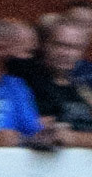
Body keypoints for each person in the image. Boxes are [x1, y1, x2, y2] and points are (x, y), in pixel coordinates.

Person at [13, 17, 92, 147]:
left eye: (74, 48)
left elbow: (64, 137)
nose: (65, 53)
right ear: (44, 45)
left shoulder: (83, 91)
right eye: (59, 45)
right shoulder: (22, 77)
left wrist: (73, 138)